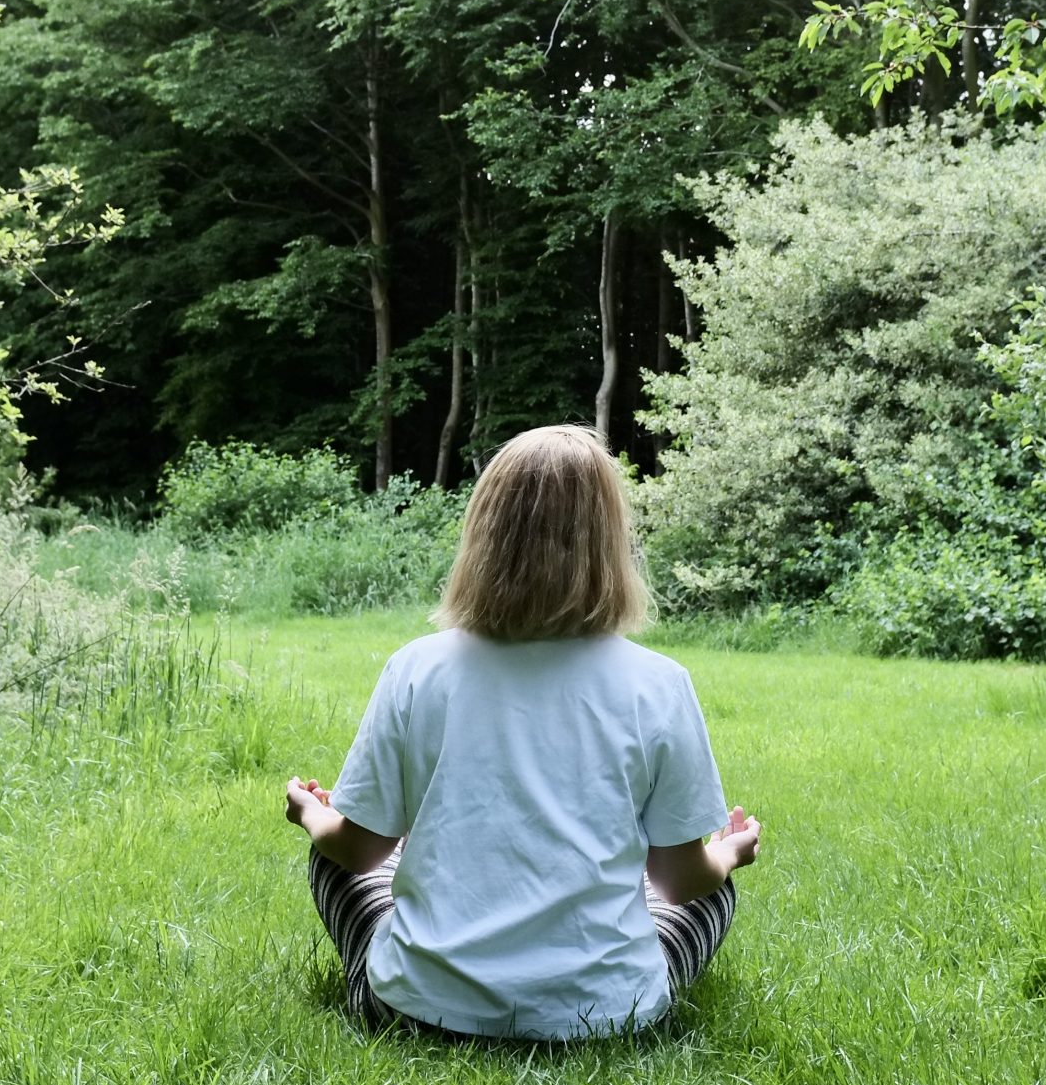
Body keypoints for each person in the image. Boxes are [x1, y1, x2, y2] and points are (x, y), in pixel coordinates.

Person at [282, 424, 763, 1040]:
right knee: (713, 890)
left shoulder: (418, 667)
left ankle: (429, 978)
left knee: (334, 859)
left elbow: (359, 850)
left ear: (483, 534)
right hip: (607, 1019)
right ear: (610, 542)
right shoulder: (659, 683)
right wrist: (727, 852)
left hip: (415, 1009)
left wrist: (310, 814)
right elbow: (677, 881)